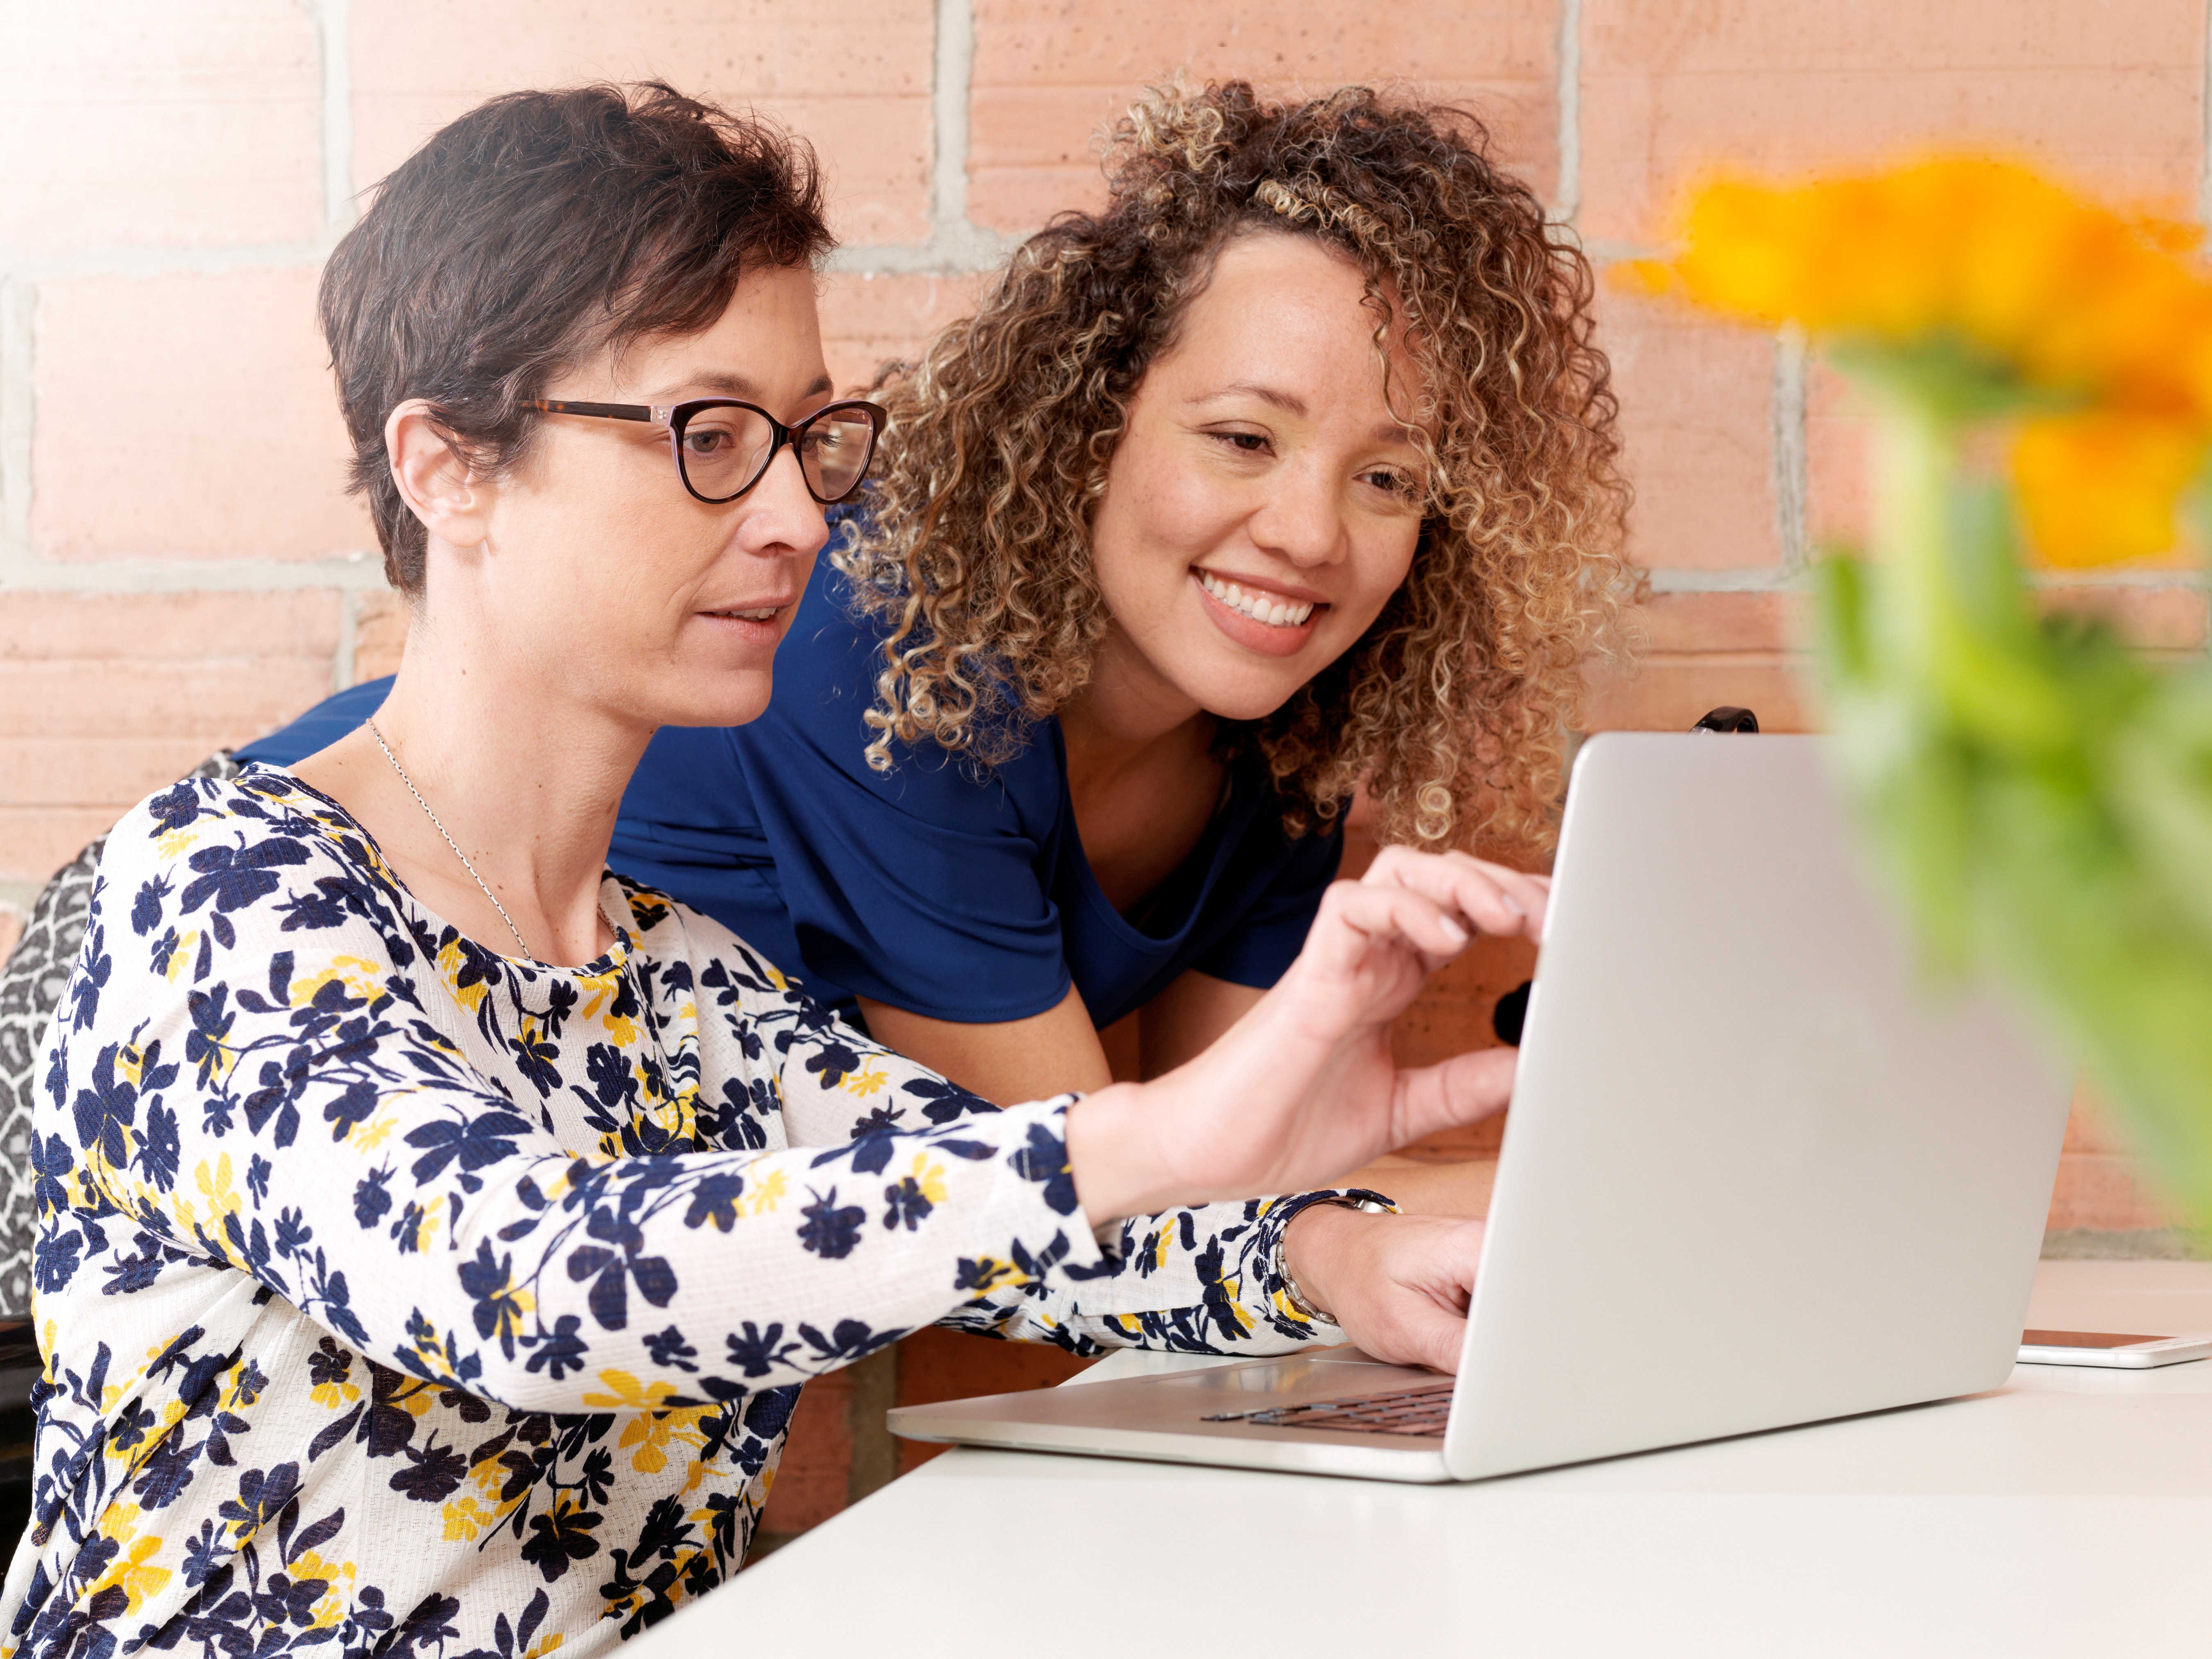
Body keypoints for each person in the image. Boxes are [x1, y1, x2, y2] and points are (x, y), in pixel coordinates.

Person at [8, 84, 1532, 1654]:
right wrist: (1167, 1128)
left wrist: (1340, 1248)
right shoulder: (217, 899)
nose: (806, 514)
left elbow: (1012, 1226)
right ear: (451, 467)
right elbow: (534, 1283)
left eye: (811, 437)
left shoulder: (684, 979)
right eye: (712, 437)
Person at [248, 83, 1627, 1213]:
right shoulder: (866, 642)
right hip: (262, 1017)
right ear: (1091, 416)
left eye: (1392, 478)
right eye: (1243, 438)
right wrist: (1498, 1219)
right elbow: (1109, 1208)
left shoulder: (1286, 748)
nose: (1315, 534)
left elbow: (1215, 1184)